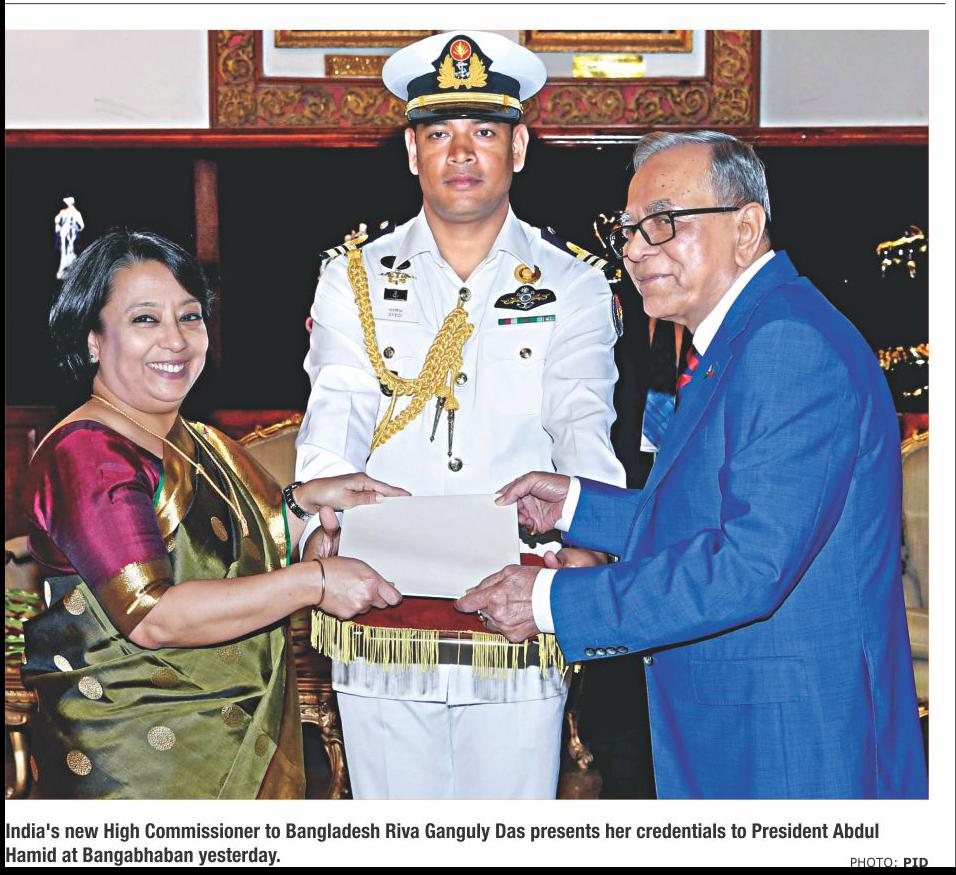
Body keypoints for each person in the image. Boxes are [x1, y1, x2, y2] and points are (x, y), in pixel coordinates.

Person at [458, 131, 928, 799]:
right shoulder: (750, 335)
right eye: (628, 230)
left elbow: (750, 565)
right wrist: (578, 507)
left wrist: (550, 601)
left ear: (746, 228)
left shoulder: (787, 345)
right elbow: (709, 512)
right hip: (754, 720)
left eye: (664, 222)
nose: (634, 249)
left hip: (793, 742)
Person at [296, 31, 625, 799]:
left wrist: (592, 538)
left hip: (515, 592)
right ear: (412, 151)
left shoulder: (572, 283)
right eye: (440, 133)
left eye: (484, 131)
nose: (462, 153)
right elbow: (336, 406)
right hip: (383, 590)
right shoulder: (354, 277)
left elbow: (582, 419)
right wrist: (320, 529)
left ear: (520, 146)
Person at [22, 229, 404, 799]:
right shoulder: (88, 453)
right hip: (136, 765)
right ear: (94, 339)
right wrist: (316, 582)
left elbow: (235, 544)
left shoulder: (198, 441)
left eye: (190, 317)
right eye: (145, 319)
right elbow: (153, 617)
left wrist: (308, 503)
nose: (176, 340)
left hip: (224, 739)